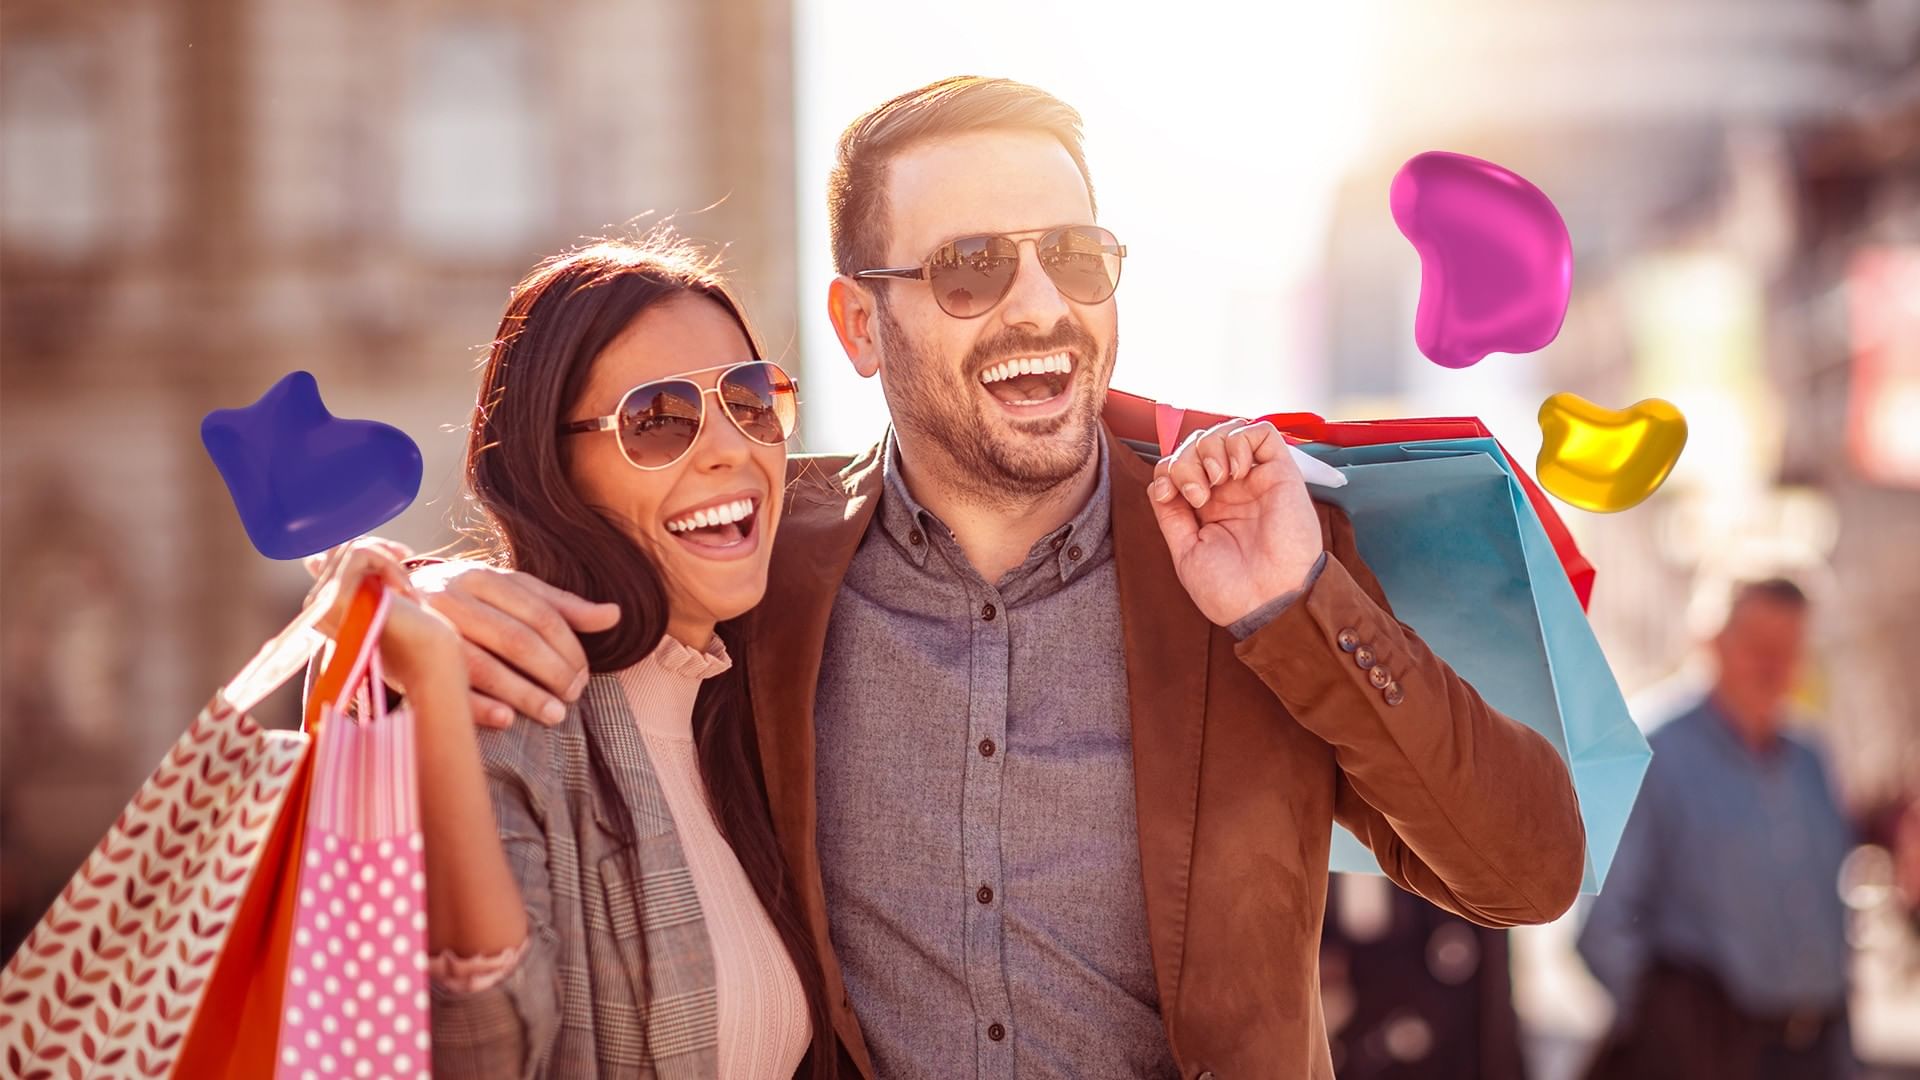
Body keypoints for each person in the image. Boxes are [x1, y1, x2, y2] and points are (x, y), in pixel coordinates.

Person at [381, 77, 1587, 1078]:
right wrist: (400, 592)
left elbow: (1528, 872)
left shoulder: (1253, 561)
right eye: (970, 267)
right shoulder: (767, 573)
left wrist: (1297, 603)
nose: (1040, 306)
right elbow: (586, 528)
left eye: (1075, 257)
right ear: (860, 327)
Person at [308, 234, 839, 1077]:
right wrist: (424, 667)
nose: (730, 448)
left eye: (750, 399)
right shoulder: (501, 718)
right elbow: (480, 1049)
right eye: (658, 420)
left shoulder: (763, 701)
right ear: (554, 471)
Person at [1578, 578, 1856, 1080]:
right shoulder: (1650, 747)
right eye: (1758, 645)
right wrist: (1669, 1034)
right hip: (1703, 1053)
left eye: (1788, 648)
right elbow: (1605, 921)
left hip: (1812, 1050)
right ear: (1710, 642)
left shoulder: (1811, 758)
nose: (1773, 664)